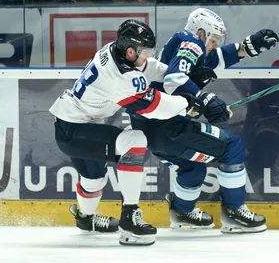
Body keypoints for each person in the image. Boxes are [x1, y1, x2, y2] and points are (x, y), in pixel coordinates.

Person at [129, 8, 279, 233]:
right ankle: (234, 211)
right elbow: (174, 80)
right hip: (168, 128)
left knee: (192, 167)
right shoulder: (191, 42)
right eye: (214, 38)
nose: (215, 44)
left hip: (151, 131)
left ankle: (182, 212)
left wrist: (247, 47)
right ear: (201, 32)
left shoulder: (183, 45)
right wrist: (204, 98)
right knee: (232, 147)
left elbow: (215, 59)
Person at [48, 19, 194, 246]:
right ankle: (130, 217)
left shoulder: (116, 52)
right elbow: (155, 108)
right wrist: (186, 101)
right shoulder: (119, 76)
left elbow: (150, 68)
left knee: (94, 180)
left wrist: (182, 79)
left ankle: (85, 219)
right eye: (144, 52)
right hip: (74, 129)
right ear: (130, 50)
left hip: (77, 123)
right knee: (135, 140)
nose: (147, 56)